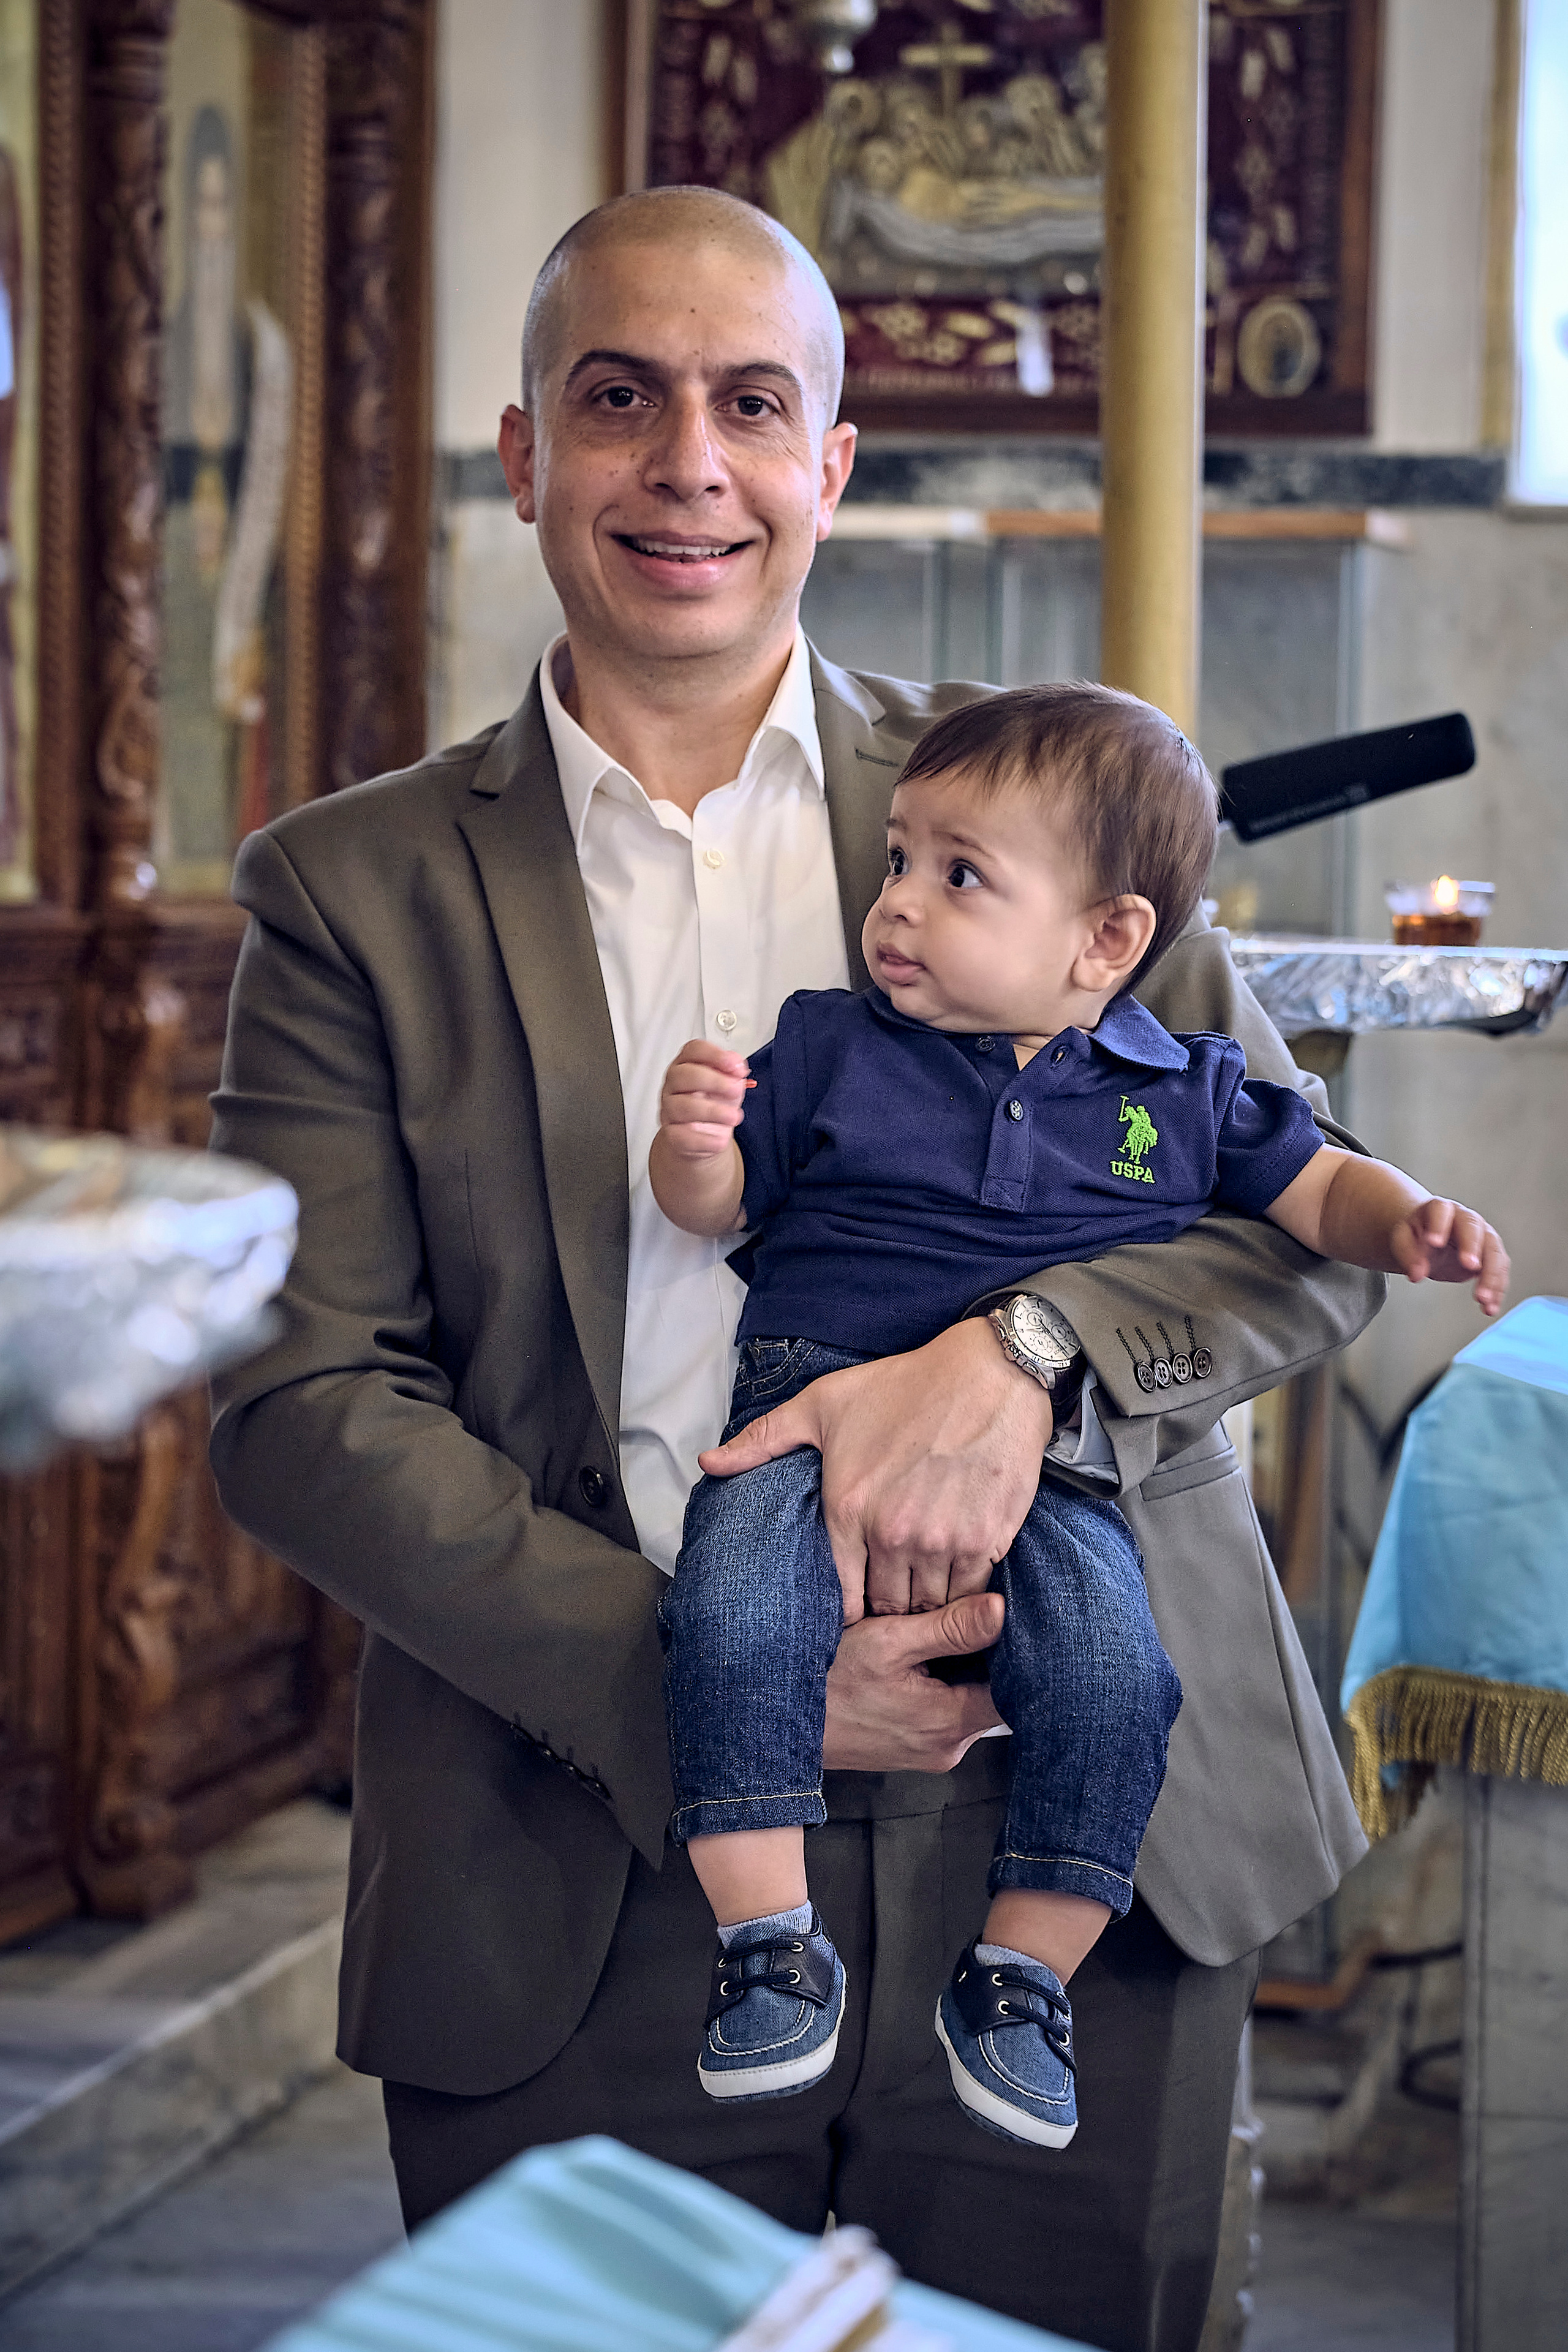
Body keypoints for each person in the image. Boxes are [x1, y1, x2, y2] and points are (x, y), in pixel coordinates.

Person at [209, 186, 1384, 2352]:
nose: (692, 464)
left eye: (755, 405)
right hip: (587, 1843)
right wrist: (698, 1682)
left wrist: (1027, 1348)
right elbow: (300, 1403)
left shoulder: (1046, 798)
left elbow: (1296, 1224)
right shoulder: (347, 890)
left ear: (833, 464)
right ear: (525, 456)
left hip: (1076, 1813)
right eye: (620, 400)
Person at [651, 682, 1507, 2147]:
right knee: (731, 1621)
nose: (901, 903)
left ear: (1105, 941)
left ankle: (1021, 1973)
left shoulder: (1176, 1088)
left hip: (1059, 1460)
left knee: (1116, 1681)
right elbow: (713, 1206)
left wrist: (1408, 1220)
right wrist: (693, 1144)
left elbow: (1310, 1191)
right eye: (897, 863)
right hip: (794, 1409)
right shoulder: (830, 1044)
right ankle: (765, 1945)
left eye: (958, 875)